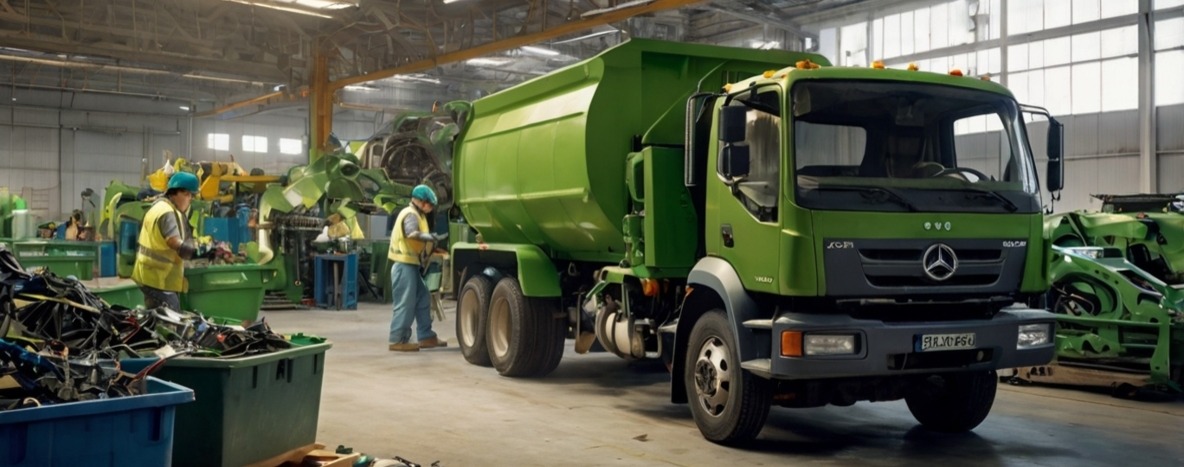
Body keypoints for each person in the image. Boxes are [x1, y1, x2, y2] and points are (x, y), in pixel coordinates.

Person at [387, 184, 448, 352]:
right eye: (429, 204)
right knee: (405, 304)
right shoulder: (411, 215)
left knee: (423, 298)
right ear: (422, 201)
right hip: (403, 265)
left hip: (411, 265)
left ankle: (426, 336)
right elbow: (411, 234)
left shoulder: (418, 215)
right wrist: (431, 237)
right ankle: (397, 339)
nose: (430, 208)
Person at [131, 172, 200, 311]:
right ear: (177, 193)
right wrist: (197, 253)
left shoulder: (158, 207)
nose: (190, 199)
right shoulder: (167, 212)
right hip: (159, 280)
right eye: (188, 195)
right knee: (171, 321)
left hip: (148, 275)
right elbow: (173, 241)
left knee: (156, 321)